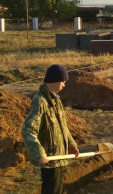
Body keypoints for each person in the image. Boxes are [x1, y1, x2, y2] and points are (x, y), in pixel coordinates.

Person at [22, 64, 80, 194]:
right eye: (63, 82)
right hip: (50, 157)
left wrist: (71, 144)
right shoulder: (40, 101)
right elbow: (28, 130)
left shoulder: (56, 101)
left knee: (57, 189)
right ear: (55, 80)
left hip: (59, 156)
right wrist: (38, 152)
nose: (64, 86)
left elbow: (63, 127)